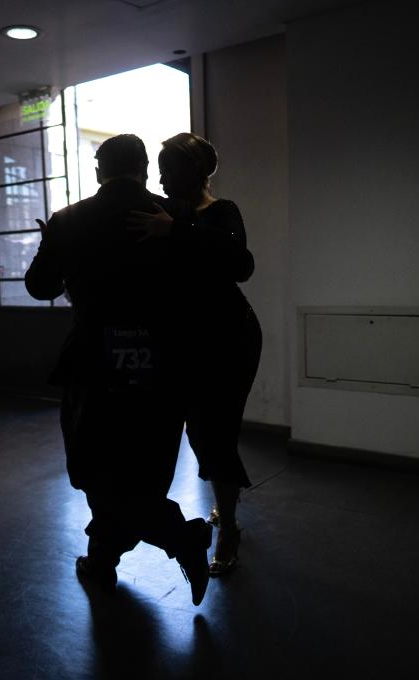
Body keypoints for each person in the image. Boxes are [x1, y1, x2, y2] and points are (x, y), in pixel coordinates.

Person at [24, 134, 212, 606]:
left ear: (98, 170)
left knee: (96, 467)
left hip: (94, 361)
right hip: (161, 362)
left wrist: (51, 244)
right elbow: (203, 282)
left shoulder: (69, 219)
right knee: (147, 467)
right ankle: (111, 558)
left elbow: (40, 287)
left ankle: (161, 543)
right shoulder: (175, 214)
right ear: (145, 169)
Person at [127, 132, 262, 577]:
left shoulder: (221, 212)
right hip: (186, 341)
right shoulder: (161, 215)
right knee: (202, 432)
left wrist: (176, 231)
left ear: (195, 171)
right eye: (159, 168)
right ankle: (225, 504)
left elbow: (241, 264)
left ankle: (229, 529)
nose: (162, 177)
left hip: (231, 337)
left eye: (169, 168)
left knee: (216, 433)